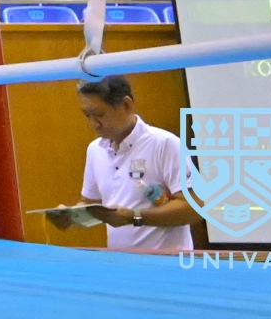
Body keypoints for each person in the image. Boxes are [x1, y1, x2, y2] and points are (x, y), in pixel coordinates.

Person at [49, 76, 198, 252]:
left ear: (126, 105)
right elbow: (90, 203)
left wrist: (134, 217)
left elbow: (194, 209)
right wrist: (71, 215)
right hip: (119, 262)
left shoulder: (164, 143)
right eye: (87, 115)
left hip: (166, 263)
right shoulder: (95, 150)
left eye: (99, 114)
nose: (93, 124)